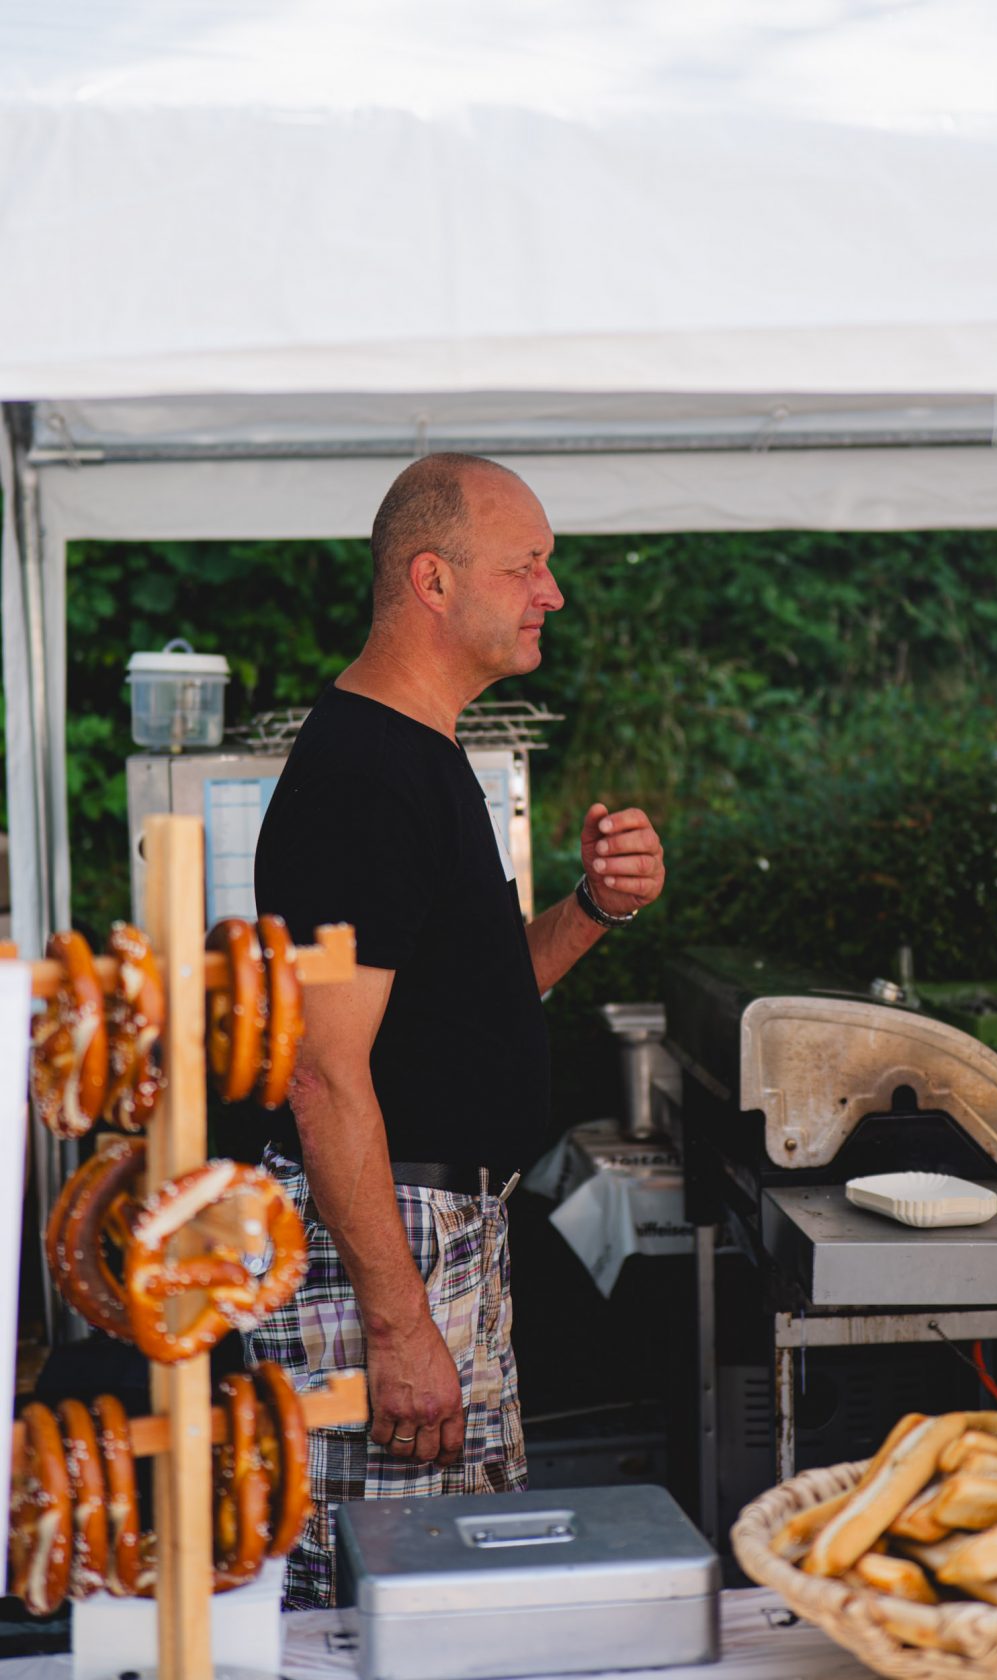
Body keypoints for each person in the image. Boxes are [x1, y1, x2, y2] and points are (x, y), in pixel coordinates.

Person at [248, 452, 665, 1607]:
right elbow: (321, 1073)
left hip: (436, 1240)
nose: (552, 593)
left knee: (458, 1597)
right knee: (378, 1611)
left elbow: (470, 1000)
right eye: (525, 566)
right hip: (379, 1249)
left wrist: (594, 909)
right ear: (431, 580)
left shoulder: (419, 756)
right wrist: (397, 1325)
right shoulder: (365, 777)